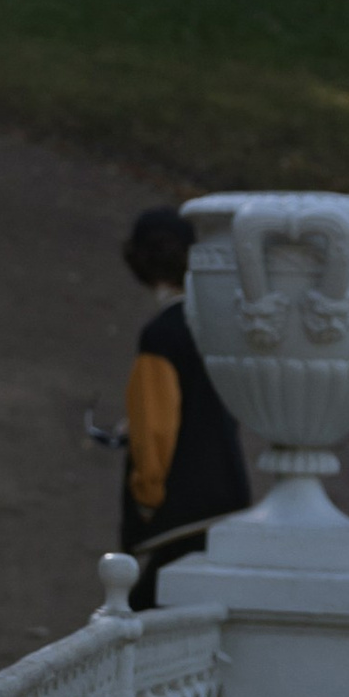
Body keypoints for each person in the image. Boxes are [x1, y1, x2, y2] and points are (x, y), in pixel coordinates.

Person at [113, 206, 251, 605]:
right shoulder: (217, 327)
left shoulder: (162, 335)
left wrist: (146, 501)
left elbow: (156, 433)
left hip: (180, 515)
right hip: (228, 498)